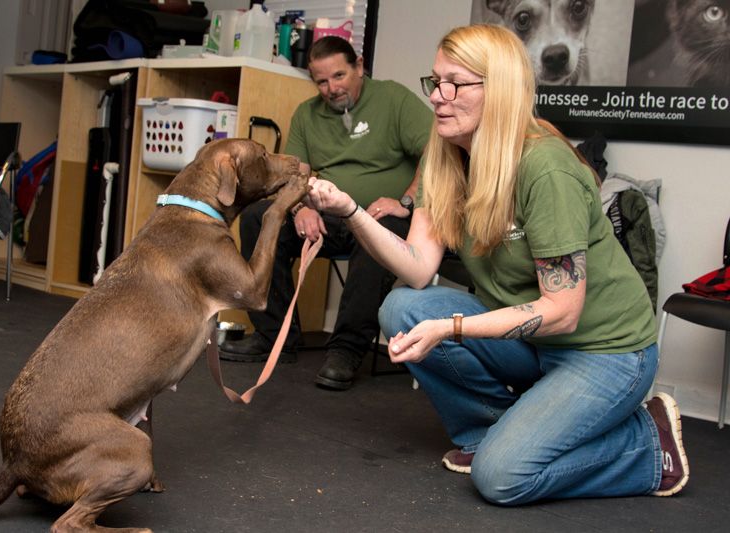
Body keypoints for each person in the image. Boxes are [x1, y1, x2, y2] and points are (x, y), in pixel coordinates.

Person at [304, 24, 688, 505]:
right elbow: (419, 268)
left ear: (500, 90)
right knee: (403, 307)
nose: (439, 97)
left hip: (604, 352)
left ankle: (646, 445)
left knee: (502, 479)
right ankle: (490, 433)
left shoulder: (544, 167)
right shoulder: (446, 157)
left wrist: (452, 328)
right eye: (435, 82)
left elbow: (563, 311)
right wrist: (351, 212)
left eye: (456, 84)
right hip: (534, 342)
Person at [219, 36, 433, 391]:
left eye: (339, 76)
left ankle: (346, 350)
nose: (331, 89)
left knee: (386, 228)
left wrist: (407, 200)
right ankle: (275, 337)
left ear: (359, 67)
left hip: (379, 215)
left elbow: (437, 152)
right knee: (261, 216)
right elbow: (297, 173)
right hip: (328, 217)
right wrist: (300, 206)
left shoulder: (393, 99)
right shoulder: (306, 114)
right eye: (322, 81)